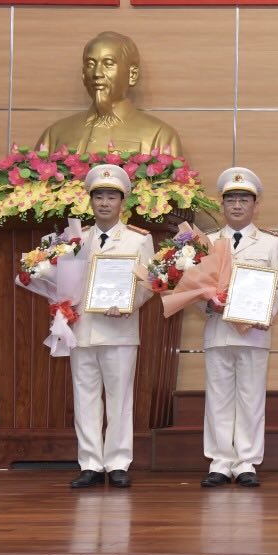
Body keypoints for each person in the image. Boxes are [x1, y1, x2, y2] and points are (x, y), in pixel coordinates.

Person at [67, 164, 154, 488]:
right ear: (90, 201)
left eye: (111, 197)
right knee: (85, 396)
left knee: (119, 398)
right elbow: (64, 283)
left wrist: (130, 303)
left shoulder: (137, 240)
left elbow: (150, 283)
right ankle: (90, 463)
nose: (104, 203)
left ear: (123, 202)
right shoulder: (75, 239)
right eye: (99, 196)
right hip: (83, 329)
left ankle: (118, 462)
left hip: (120, 329)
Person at [199, 167, 278, 489]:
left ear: (255, 205)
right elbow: (194, 289)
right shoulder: (206, 242)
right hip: (218, 331)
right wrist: (207, 304)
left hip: (254, 332)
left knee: (251, 398)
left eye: (244, 199)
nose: (237, 205)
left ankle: (247, 461)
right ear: (222, 205)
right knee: (219, 398)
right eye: (231, 199)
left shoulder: (270, 243)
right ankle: (220, 461)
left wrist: (263, 313)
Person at [36, 31, 183, 156]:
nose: (97, 73)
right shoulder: (55, 134)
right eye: (90, 65)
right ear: (83, 75)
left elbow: (173, 188)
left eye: (108, 64)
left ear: (132, 75)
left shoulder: (160, 136)